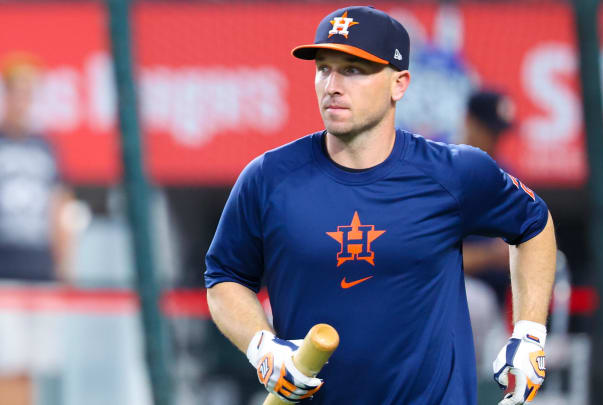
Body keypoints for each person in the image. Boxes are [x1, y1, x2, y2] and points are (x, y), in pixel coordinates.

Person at [205, 6, 556, 405]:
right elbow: (224, 277)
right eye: (324, 68)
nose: (332, 85)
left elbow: (534, 224)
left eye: (353, 70)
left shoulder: (454, 172)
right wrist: (261, 346)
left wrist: (529, 333)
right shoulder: (269, 177)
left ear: (399, 84)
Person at [0, 53, 74, 405]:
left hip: (40, 270)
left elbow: (58, 205)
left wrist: (64, 260)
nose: (22, 101)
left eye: (29, 93)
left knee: (37, 366)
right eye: (16, 92)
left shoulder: (46, 147)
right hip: (5, 271)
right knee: (8, 364)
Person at [461, 89, 519, 369]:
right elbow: (427, 257)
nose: (495, 140)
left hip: (497, 309)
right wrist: (492, 255)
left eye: (499, 132)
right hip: (449, 294)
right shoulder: (444, 171)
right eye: (489, 130)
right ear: (469, 122)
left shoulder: (506, 179)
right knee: (474, 303)